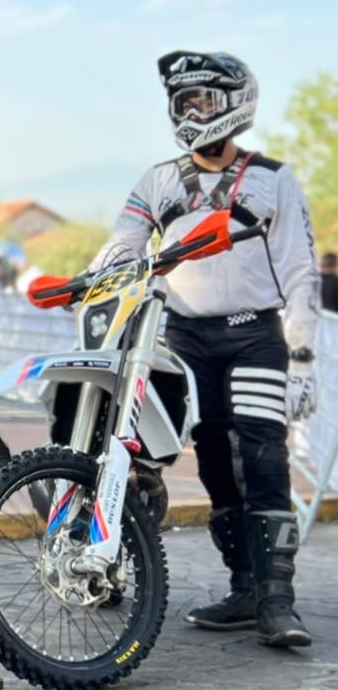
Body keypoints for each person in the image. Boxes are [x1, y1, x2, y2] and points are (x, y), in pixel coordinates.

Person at [93, 50, 321, 648]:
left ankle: (277, 601)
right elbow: (123, 242)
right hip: (182, 335)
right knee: (213, 461)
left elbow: (301, 272)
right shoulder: (158, 179)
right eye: (183, 102)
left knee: (263, 459)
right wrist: (90, 280)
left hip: (254, 333)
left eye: (204, 101)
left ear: (236, 105)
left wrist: (303, 357)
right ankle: (245, 588)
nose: (193, 112)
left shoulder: (274, 177)